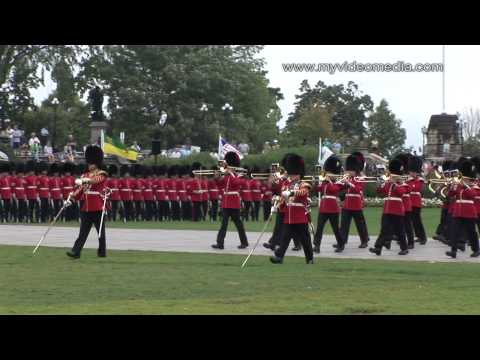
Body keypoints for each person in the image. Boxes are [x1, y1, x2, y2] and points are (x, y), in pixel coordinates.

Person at [270, 153, 314, 264]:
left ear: (299, 174)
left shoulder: (304, 184)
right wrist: (277, 202)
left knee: (305, 240)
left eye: (294, 174)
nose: (292, 176)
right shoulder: (285, 184)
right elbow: (283, 199)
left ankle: (310, 259)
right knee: (285, 238)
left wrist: (292, 192)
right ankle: (279, 257)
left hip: (300, 216)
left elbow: (303, 192)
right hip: (289, 216)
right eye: (291, 174)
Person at [66, 145, 109, 259]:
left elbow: (96, 181)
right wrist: (72, 198)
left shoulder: (102, 173)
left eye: (92, 163)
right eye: (89, 163)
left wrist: (86, 180)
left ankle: (102, 252)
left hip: (98, 207)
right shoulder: (84, 175)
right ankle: (76, 252)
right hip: (86, 208)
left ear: (96, 163)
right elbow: (80, 190)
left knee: (100, 232)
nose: (90, 165)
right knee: (83, 232)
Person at [369, 158, 410, 256]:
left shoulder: (404, 184)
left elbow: (402, 193)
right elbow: (380, 192)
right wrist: (380, 183)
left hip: (397, 210)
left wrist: (395, 183)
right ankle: (378, 247)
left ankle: (404, 248)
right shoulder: (388, 183)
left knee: (400, 230)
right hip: (387, 209)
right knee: (384, 229)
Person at [212, 152, 249, 250]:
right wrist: (216, 178)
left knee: (238, 224)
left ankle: (244, 242)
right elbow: (220, 185)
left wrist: (231, 174)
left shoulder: (238, 175)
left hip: (234, 202)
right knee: (223, 224)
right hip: (226, 202)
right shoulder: (227, 176)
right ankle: (220, 243)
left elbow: (238, 183)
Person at [446, 158, 480, 258]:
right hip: (458, 211)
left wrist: (465, 186)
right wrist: (452, 186)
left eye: (464, 178)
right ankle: (453, 251)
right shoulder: (458, 185)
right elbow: (450, 194)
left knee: (471, 232)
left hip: (469, 211)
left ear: (469, 178)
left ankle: (476, 249)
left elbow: (472, 195)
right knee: (455, 231)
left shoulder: (473, 186)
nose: (462, 179)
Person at [313, 155, 346, 253]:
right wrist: (315, 182)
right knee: (319, 228)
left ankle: (341, 244)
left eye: (330, 173)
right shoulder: (324, 182)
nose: (327, 174)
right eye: (327, 172)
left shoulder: (338, 183)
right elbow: (318, 189)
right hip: (323, 208)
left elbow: (334, 189)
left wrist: (329, 181)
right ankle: (317, 245)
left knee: (335, 229)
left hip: (333, 209)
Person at [338, 152, 370, 249]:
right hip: (347, 204)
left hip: (356, 204)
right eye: (348, 169)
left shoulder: (361, 178)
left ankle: (364, 240)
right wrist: (340, 183)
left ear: (355, 169)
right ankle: (342, 242)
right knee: (344, 224)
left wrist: (349, 183)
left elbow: (358, 189)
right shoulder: (347, 177)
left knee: (360, 224)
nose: (348, 171)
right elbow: (340, 189)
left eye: (350, 169)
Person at [407, 155, 428, 245]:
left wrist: (409, 183)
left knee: (417, 221)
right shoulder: (408, 180)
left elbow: (417, 189)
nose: (411, 173)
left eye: (413, 172)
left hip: (416, 203)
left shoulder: (420, 180)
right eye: (411, 171)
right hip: (409, 202)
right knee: (411, 221)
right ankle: (418, 236)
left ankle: (423, 237)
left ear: (417, 172)